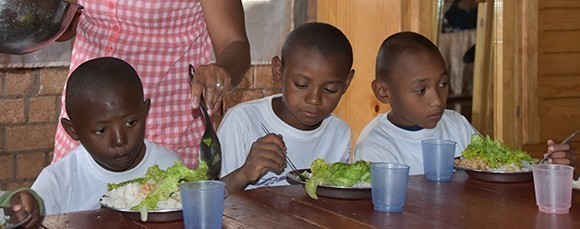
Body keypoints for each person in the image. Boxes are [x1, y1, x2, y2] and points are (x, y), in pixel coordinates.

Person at [53, 0, 251, 168]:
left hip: (165, 130)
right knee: (75, 212)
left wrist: (221, 72)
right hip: (88, 126)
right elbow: (63, 27)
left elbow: (234, 42)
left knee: (158, 207)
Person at [354, 32, 575, 175]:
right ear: (383, 92)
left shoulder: (456, 124)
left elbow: (496, 170)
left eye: (443, 84)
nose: (437, 100)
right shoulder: (375, 146)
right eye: (421, 90)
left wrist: (547, 169)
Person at [32, 57, 180, 215]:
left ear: (145, 112)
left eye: (130, 123)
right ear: (73, 130)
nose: (119, 140)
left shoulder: (170, 168)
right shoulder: (56, 184)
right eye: (101, 131)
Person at [218, 22, 355, 192]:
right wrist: (244, 173)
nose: (314, 100)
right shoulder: (242, 121)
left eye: (329, 89)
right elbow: (208, 199)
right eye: (301, 84)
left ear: (346, 83)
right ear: (278, 71)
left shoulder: (339, 132)